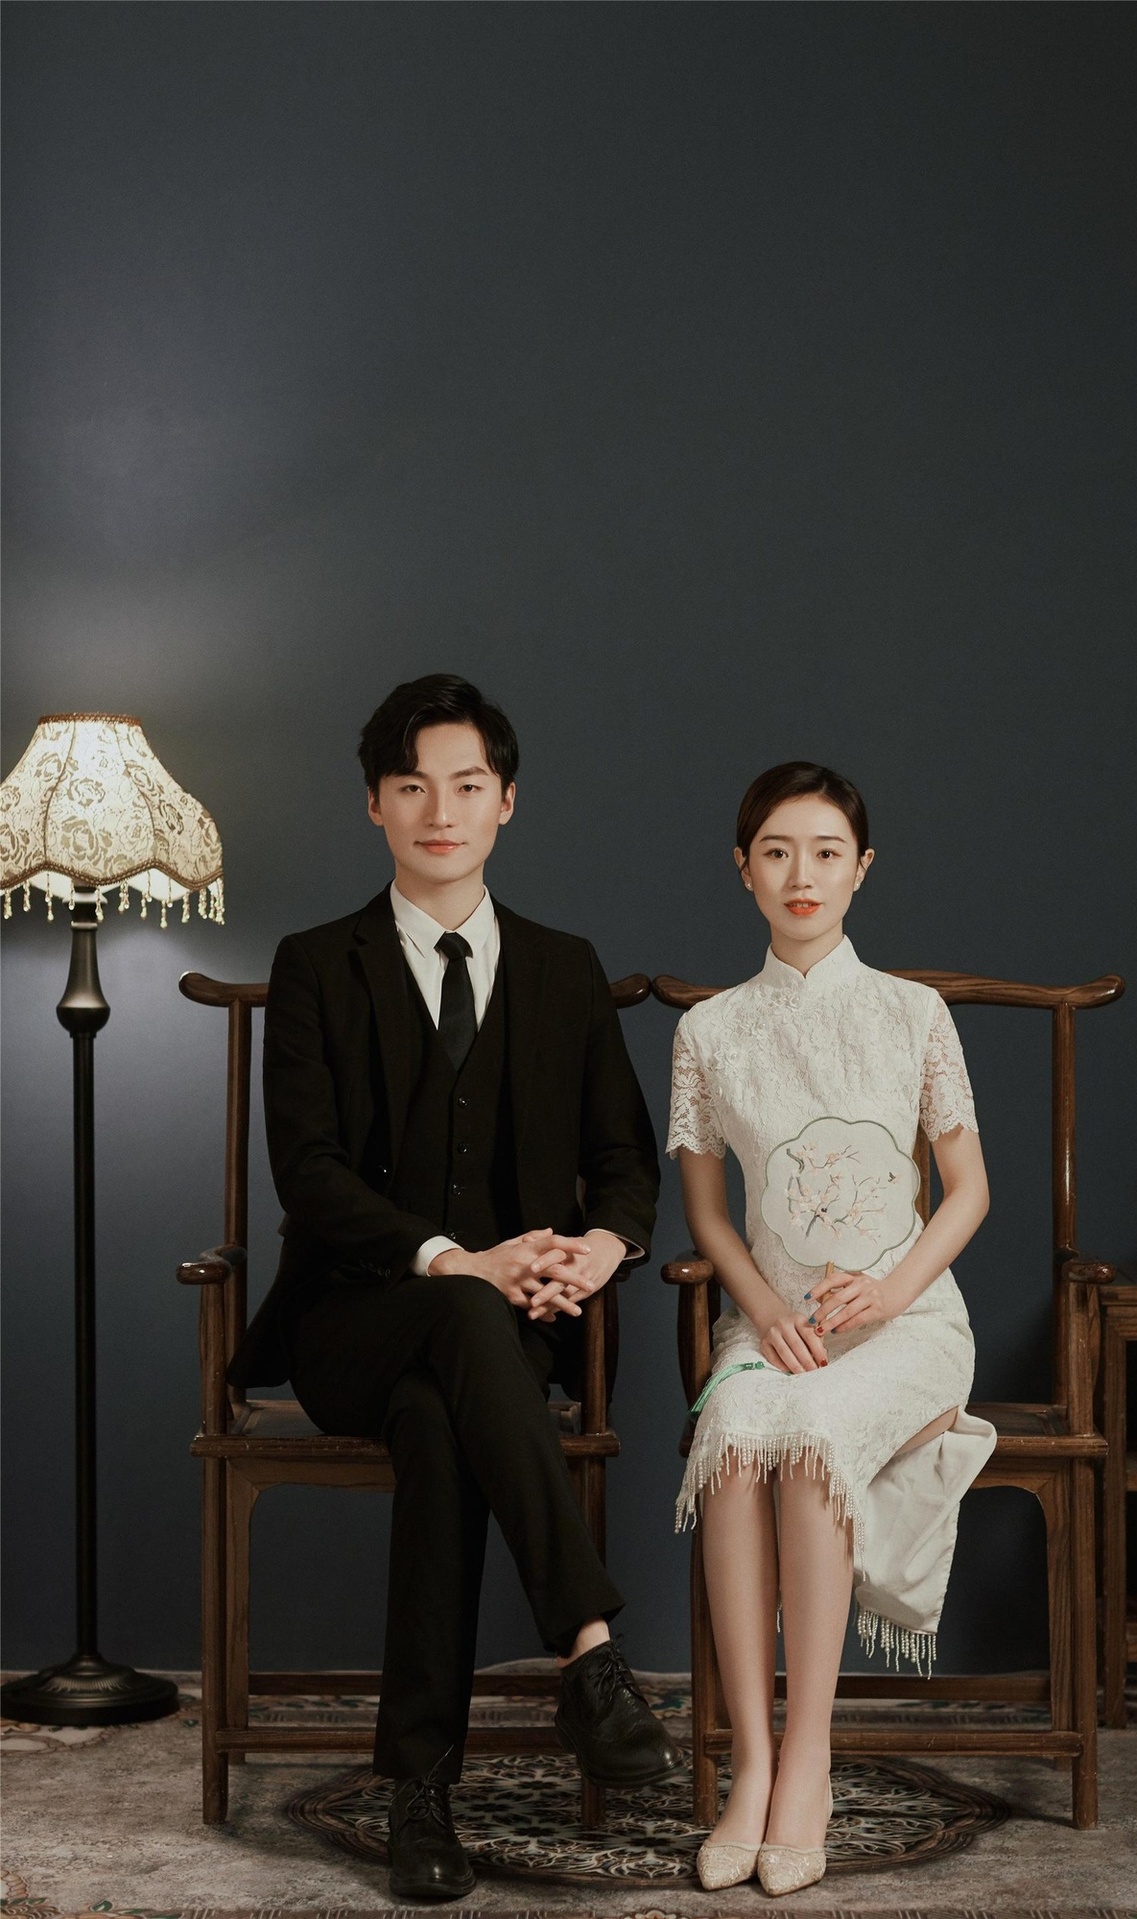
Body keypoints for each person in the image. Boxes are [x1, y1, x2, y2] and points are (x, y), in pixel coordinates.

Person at [227, 674, 677, 1902]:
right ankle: (589, 1646)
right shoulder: (316, 965)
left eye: (467, 785)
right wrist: (454, 1258)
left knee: (440, 1421)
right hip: (351, 1322)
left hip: (511, 1333)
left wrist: (604, 1248)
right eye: (413, 785)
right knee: (456, 1323)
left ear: (507, 801)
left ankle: (420, 1789)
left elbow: (625, 1163)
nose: (441, 810)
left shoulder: (566, 968)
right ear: (374, 802)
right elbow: (310, 1173)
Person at [667, 761, 996, 1898]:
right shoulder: (709, 1031)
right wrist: (761, 1308)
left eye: (824, 852)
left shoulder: (914, 1014)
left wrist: (894, 1291)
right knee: (734, 1435)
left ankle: (807, 1756)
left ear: (862, 869)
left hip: (907, 1323)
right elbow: (708, 1212)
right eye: (775, 851)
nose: (800, 874)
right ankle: (750, 1765)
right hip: (774, 1322)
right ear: (743, 868)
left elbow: (968, 1190)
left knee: (809, 1438)